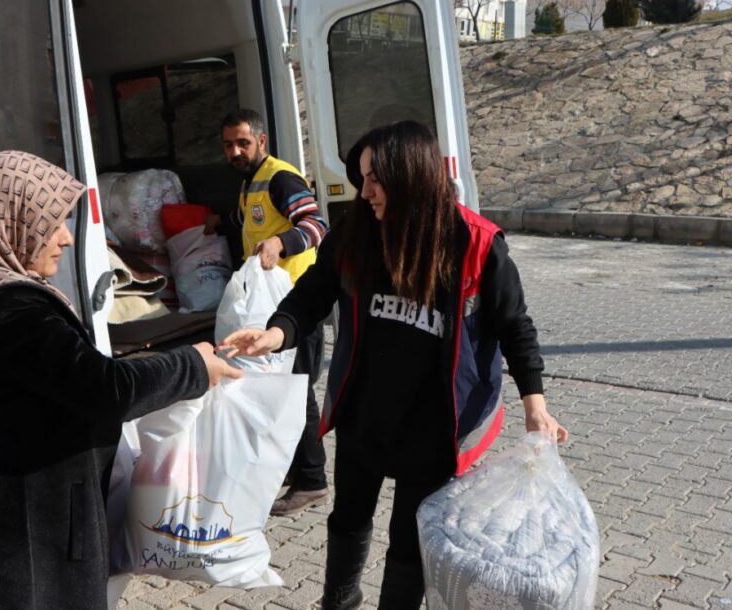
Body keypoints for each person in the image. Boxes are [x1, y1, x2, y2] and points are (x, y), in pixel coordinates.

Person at [221, 121, 568, 609]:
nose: (365, 193)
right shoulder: (359, 231)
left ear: (410, 177)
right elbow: (314, 291)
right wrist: (276, 332)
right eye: (362, 179)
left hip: (434, 426)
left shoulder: (476, 242)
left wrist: (536, 406)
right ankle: (338, 603)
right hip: (365, 414)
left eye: (374, 180)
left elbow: (515, 325)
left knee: (408, 542)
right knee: (348, 518)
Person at [0, 151, 241, 609]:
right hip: (22, 541)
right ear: (9, 220)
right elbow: (106, 389)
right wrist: (194, 367)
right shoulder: (10, 308)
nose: (66, 238)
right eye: (53, 224)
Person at [212, 108, 331, 515]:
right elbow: (246, 221)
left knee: (297, 392)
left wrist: (281, 244)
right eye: (229, 144)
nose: (236, 151)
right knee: (280, 390)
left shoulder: (281, 178)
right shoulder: (250, 183)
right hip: (272, 307)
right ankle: (293, 469)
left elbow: (316, 225)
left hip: (299, 304)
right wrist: (216, 222)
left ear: (261, 141)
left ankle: (313, 480)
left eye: (243, 142)